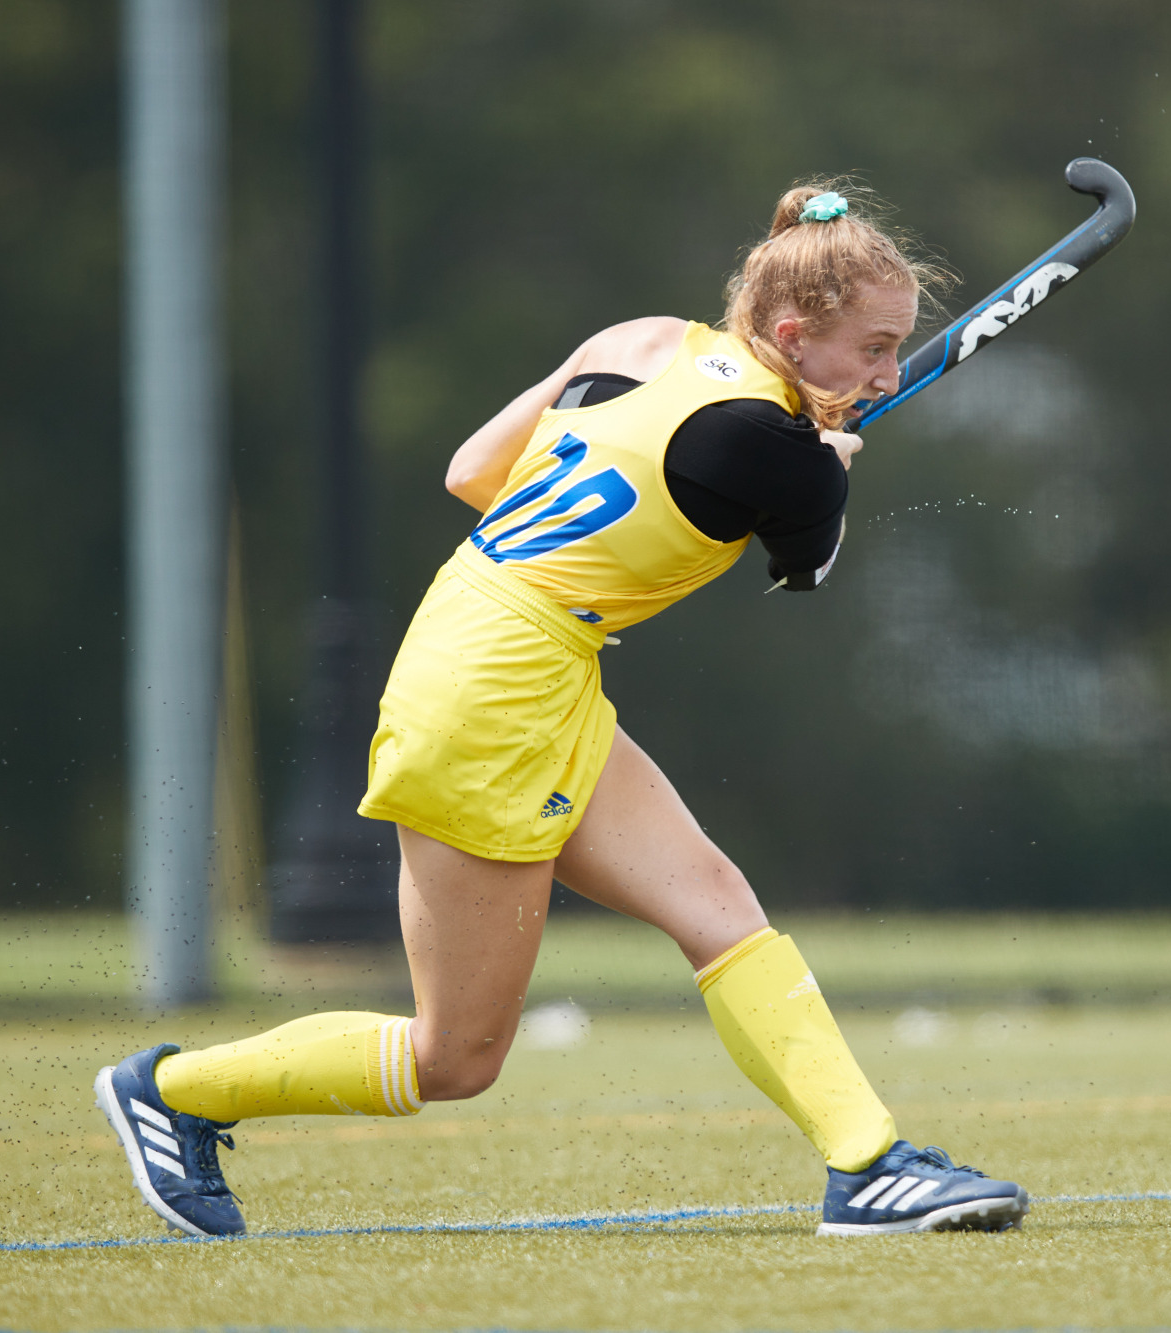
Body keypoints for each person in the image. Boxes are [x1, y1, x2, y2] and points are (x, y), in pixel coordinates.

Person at [95, 182, 1029, 1239]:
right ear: (789, 336)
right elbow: (804, 573)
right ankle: (173, 1093)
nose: (887, 375)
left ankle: (866, 1166)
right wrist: (821, 469)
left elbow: (471, 473)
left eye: (896, 350)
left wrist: (762, 466)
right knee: (456, 1056)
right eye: (871, 349)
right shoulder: (778, 459)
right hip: (499, 688)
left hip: (500, 638)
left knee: (715, 906)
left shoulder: (643, 339)